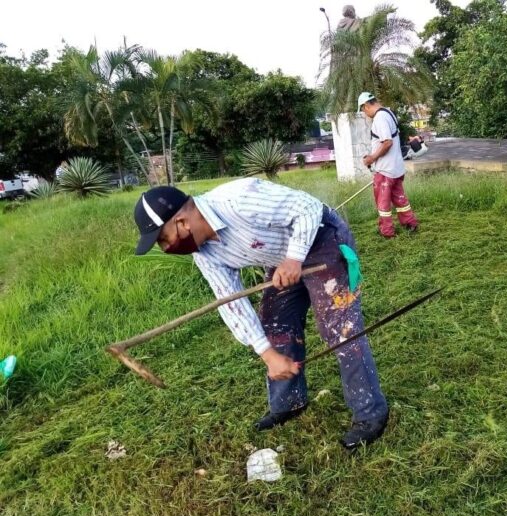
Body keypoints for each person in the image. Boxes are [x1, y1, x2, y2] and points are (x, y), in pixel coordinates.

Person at [132, 178, 389, 449]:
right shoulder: (205, 254)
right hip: (280, 261)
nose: (165, 247)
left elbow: (308, 207)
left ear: (180, 222)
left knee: (340, 331)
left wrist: (294, 258)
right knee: (275, 326)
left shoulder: (238, 200)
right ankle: (288, 403)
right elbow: (230, 301)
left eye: (162, 238)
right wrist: (268, 355)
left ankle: (370, 413)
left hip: (322, 240)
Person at [358, 92, 420, 238]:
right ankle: (410, 223)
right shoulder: (388, 113)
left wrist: (372, 158)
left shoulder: (379, 118)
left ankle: (387, 232)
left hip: (385, 171)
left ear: (366, 106)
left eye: (362, 110)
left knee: (383, 204)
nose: (364, 113)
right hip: (396, 168)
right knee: (400, 199)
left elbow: (387, 142)